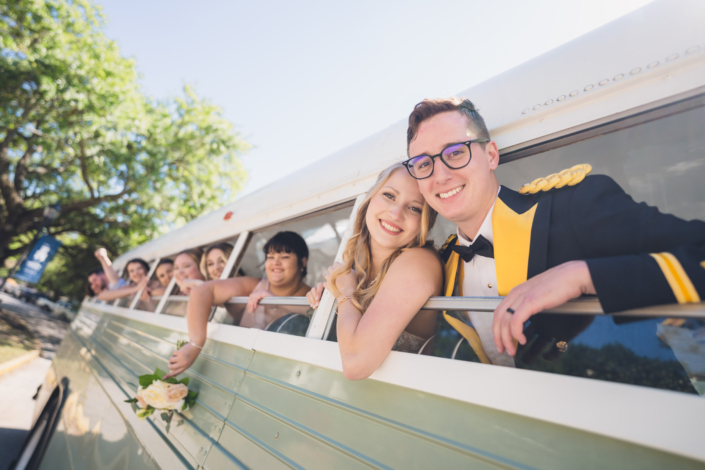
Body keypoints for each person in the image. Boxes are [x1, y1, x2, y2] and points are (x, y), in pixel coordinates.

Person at [405, 97, 705, 366]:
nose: (440, 175)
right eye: (423, 163)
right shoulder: (441, 263)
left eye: (456, 153)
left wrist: (583, 276)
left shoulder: (576, 205)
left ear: (491, 155)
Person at [306, 163, 443, 380]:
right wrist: (329, 295)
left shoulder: (419, 261)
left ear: (425, 222)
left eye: (415, 207)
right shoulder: (357, 268)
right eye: (389, 195)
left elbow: (355, 365)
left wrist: (345, 296)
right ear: (370, 199)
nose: (396, 213)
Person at [165, 232, 312, 378]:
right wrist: (195, 344)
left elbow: (317, 315)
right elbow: (201, 291)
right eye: (270, 257)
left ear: (302, 262)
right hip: (241, 367)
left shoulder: (313, 295)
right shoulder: (254, 285)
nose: (275, 263)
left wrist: (276, 301)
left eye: (285, 257)